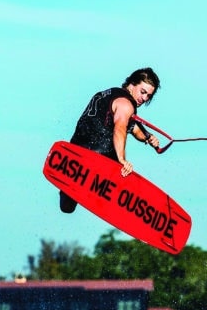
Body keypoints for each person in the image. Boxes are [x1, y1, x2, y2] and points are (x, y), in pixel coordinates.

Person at [60, 67, 163, 213]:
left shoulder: (110, 94)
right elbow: (120, 128)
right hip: (99, 156)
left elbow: (134, 128)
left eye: (148, 96)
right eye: (143, 92)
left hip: (76, 152)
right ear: (132, 84)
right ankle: (119, 197)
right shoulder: (126, 105)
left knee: (67, 208)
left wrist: (148, 137)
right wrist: (121, 159)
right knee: (125, 173)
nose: (145, 98)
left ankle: (69, 190)